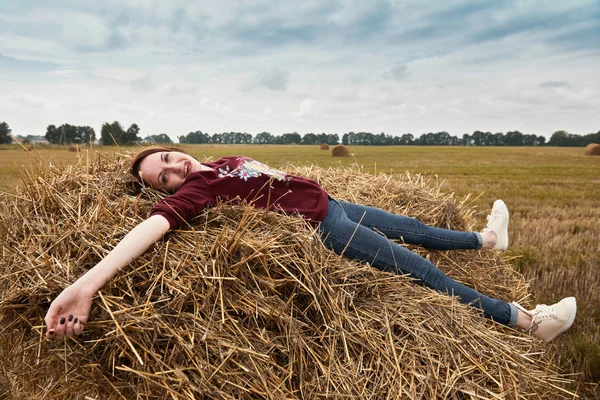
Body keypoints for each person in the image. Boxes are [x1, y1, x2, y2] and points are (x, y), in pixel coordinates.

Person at [44, 147, 577, 343]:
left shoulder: (222, 163)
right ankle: (528, 322)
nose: (172, 171)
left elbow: (270, 179)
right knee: (421, 271)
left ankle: (486, 239)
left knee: (413, 227)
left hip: (333, 203)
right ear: (171, 191)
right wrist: (86, 284)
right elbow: (153, 227)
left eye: (165, 159)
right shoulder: (200, 190)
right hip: (329, 229)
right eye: (163, 179)